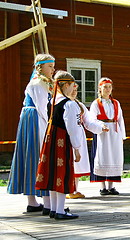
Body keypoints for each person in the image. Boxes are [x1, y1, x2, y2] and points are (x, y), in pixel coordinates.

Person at [7, 54, 55, 215]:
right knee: (36, 154)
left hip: (30, 119)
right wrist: (49, 126)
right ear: (40, 67)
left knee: (30, 156)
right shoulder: (38, 83)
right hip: (35, 120)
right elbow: (42, 108)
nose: (53, 70)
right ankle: (42, 201)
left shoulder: (39, 82)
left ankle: (32, 201)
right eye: (50, 66)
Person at [35, 70, 81, 220]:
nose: (74, 89)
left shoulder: (52, 101)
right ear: (66, 84)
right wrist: (77, 148)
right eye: (73, 85)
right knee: (62, 172)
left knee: (53, 173)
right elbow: (72, 128)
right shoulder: (69, 104)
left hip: (51, 140)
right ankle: (60, 210)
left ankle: (55, 209)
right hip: (61, 141)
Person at [66, 83, 109, 199]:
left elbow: (88, 121)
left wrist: (100, 127)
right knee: (68, 163)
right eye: (72, 89)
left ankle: (75, 189)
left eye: (76, 90)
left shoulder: (79, 105)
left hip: (79, 135)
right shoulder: (64, 104)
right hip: (66, 136)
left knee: (77, 164)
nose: (74, 92)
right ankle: (66, 190)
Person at [90, 77, 126, 195]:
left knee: (114, 156)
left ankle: (111, 185)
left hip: (114, 132)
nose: (107, 89)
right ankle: (102, 186)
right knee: (102, 156)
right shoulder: (96, 103)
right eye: (105, 87)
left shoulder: (116, 103)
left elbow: (120, 119)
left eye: (109, 87)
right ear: (100, 88)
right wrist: (100, 126)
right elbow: (92, 119)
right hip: (102, 133)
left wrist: (122, 135)